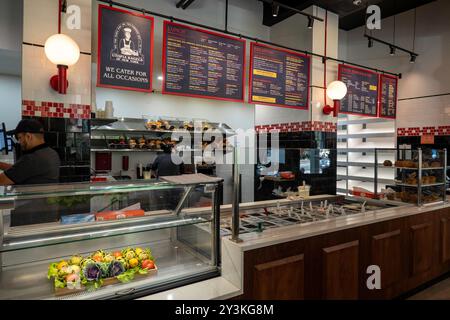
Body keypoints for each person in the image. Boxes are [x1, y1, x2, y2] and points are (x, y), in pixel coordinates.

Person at [0, 119, 60, 186]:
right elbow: (19, 169)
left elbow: (1, 180)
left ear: (28, 136)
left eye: (20, 138)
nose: (19, 142)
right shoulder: (52, 153)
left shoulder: (32, 159)